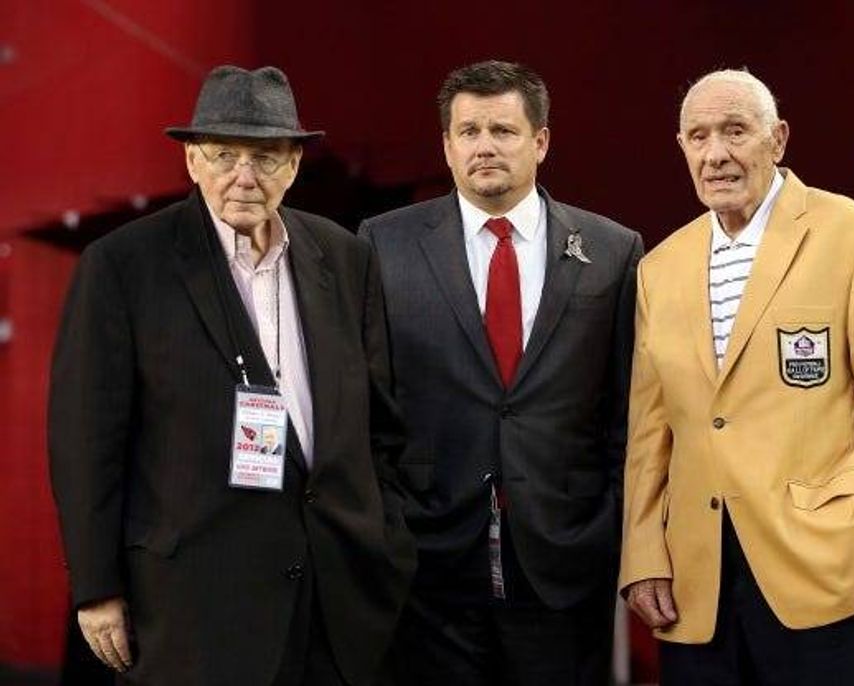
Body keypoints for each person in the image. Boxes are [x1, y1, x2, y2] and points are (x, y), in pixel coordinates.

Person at [48, 65, 415, 686]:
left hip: (337, 602)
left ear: (294, 164)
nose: (245, 176)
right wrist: (95, 587)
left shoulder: (345, 257)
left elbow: (380, 421)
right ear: (192, 160)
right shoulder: (123, 265)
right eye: (224, 154)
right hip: (191, 608)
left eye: (266, 156)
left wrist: (388, 542)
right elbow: (86, 441)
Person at [620, 69, 854, 686]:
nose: (716, 154)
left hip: (825, 570)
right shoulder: (660, 266)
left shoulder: (852, 236)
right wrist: (642, 554)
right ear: (681, 146)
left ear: (779, 139)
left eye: (736, 131)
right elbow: (649, 433)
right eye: (699, 135)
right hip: (697, 581)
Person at [360, 60, 643, 684]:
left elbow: (629, 411)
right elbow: (368, 404)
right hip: (428, 564)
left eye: (504, 130)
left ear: (540, 141)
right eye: (468, 132)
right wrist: (392, 523)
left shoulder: (613, 250)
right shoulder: (383, 244)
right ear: (446, 145)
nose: (484, 146)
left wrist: (610, 526)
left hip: (564, 559)